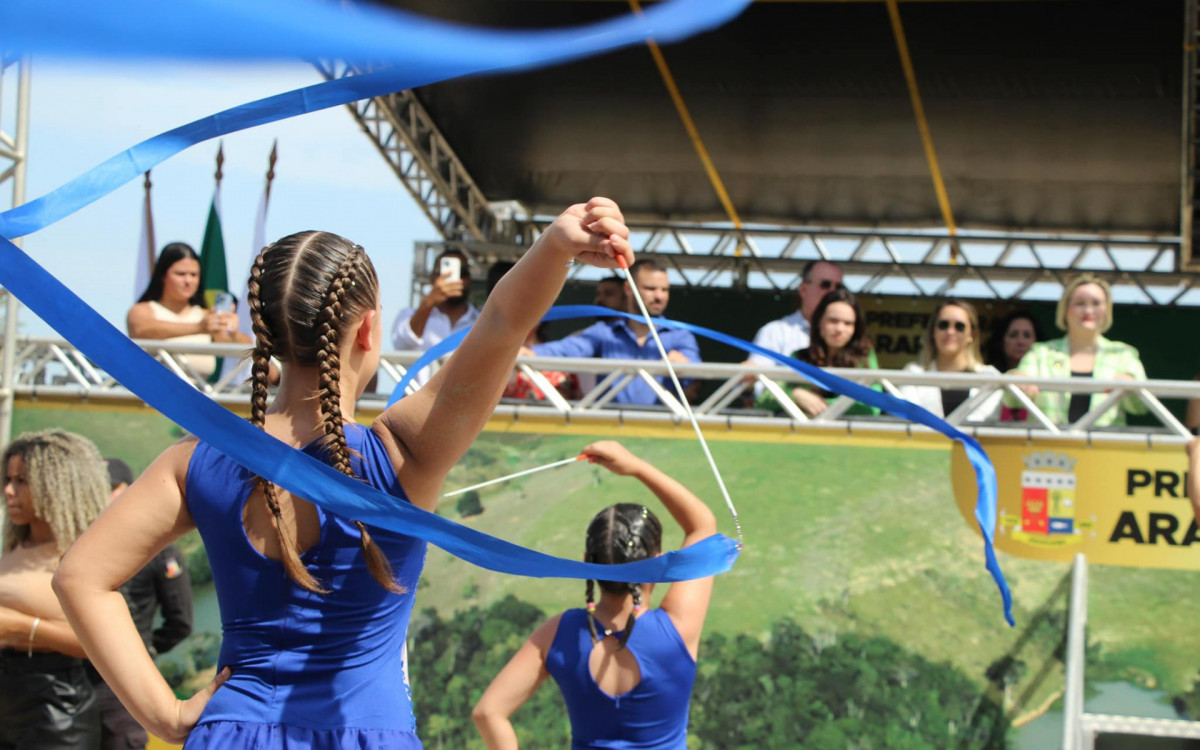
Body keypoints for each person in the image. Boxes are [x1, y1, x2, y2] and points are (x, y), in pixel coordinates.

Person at [52, 198, 634, 748]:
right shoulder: (402, 451)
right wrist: (555, 247)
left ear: (266, 336)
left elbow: (79, 577)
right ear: (368, 330)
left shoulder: (195, 460)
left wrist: (166, 715)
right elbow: (504, 323)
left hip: (227, 731)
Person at [472, 440, 716, 750]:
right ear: (658, 562)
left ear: (588, 561)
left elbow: (488, 713)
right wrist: (636, 466)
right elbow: (702, 525)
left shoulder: (559, 633)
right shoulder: (677, 628)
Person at [0, 429, 109, 750]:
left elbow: (100, 644)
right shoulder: (14, 547)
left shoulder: (82, 553)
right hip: (8, 706)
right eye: (8, 479)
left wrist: (21, 627)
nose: (9, 491)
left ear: (58, 484)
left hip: (56, 712)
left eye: (22, 481)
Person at [87, 459, 193, 750]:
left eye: (111, 489)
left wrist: (144, 650)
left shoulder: (160, 552)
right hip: (75, 680)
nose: (104, 498)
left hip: (124, 687)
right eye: (97, 490)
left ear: (130, 491)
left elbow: (180, 621)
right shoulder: (80, 546)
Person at [526, 259, 702, 406]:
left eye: (664, 290)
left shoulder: (680, 336)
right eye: (650, 288)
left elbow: (696, 370)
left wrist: (686, 365)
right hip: (611, 428)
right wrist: (530, 354)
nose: (659, 296)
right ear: (628, 289)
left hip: (661, 432)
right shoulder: (605, 333)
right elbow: (568, 349)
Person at [1006, 275, 1147, 427]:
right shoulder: (1041, 353)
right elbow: (1012, 401)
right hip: (1049, 447)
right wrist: (1016, 380)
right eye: (1080, 303)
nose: (1088, 310)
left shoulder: (1123, 354)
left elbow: (1140, 407)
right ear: (1065, 310)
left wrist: (1130, 387)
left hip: (1104, 447)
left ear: (1107, 310)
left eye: (1096, 303)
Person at [127, 242, 248, 381]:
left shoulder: (206, 316)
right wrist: (199, 327)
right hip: (153, 394)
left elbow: (246, 349)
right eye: (180, 274)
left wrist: (232, 333)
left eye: (194, 275)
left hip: (200, 395)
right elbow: (141, 330)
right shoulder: (143, 310)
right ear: (162, 275)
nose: (188, 280)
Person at [755, 288, 880, 418]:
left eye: (848, 323)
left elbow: (873, 406)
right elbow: (763, 400)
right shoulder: (799, 357)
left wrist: (820, 403)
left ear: (856, 328)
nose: (840, 329)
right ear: (819, 321)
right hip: (804, 435)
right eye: (833, 321)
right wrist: (795, 394)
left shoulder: (864, 357)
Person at [899, 299, 1002, 422]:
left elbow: (986, 420)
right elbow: (909, 418)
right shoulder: (913, 373)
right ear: (933, 332)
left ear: (971, 335)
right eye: (943, 325)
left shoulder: (990, 376)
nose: (950, 332)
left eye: (959, 326)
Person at [392, 248, 479, 387]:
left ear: (469, 279)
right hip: (416, 403)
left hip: (466, 404)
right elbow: (404, 343)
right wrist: (428, 304)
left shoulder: (482, 322)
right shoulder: (408, 316)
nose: (455, 279)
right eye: (445, 273)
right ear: (433, 279)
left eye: (462, 273)